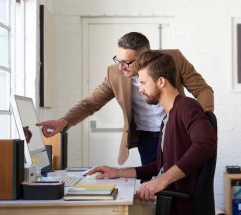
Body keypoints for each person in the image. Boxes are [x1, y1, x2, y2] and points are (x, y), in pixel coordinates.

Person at [36, 32, 214, 165]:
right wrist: (64, 121)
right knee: (152, 189)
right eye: (117, 59)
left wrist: (198, 123)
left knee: (184, 185)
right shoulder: (115, 73)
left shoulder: (173, 59)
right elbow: (90, 103)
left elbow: (203, 90)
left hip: (177, 134)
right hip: (147, 139)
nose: (121, 67)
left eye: (127, 62)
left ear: (144, 57)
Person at [87, 51, 217, 215]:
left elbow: (206, 144)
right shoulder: (167, 118)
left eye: (143, 82)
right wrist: (117, 172)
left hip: (179, 206)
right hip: (168, 201)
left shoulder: (186, 107)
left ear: (161, 81)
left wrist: (162, 181)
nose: (140, 89)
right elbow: (158, 166)